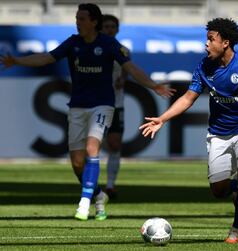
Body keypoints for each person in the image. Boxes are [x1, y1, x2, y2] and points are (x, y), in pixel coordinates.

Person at [0, 3, 174, 221]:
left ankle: (83, 203)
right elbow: (46, 58)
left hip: (102, 105)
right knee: (77, 163)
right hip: (77, 107)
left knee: (93, 148)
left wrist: (153, 85)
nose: (77, 22)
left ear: (94, 22)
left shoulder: (109, 44)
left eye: (82, 19)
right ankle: (99, 195)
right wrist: (17, 60)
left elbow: (131, 68)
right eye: (76, 18)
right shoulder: (73, 43)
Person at [139, 17, 238, 244]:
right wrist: (163, 119)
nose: (206, 44)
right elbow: (188, 98)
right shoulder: (204, 66)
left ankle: (235, 231)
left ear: (225, 42)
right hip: (218, 133)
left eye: (211, 39)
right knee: (218, 190)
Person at [101, 14, 127, 199]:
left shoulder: (123, 50)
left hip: (116, 104)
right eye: (106, 26)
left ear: (117, 29)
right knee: (90, 147)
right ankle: (90, 186)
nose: (109, 29)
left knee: (115, 145)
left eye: (112, 26)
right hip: (94, 103)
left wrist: (122, 79)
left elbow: (128, 71)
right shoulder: (95, 48)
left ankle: (110, 185)